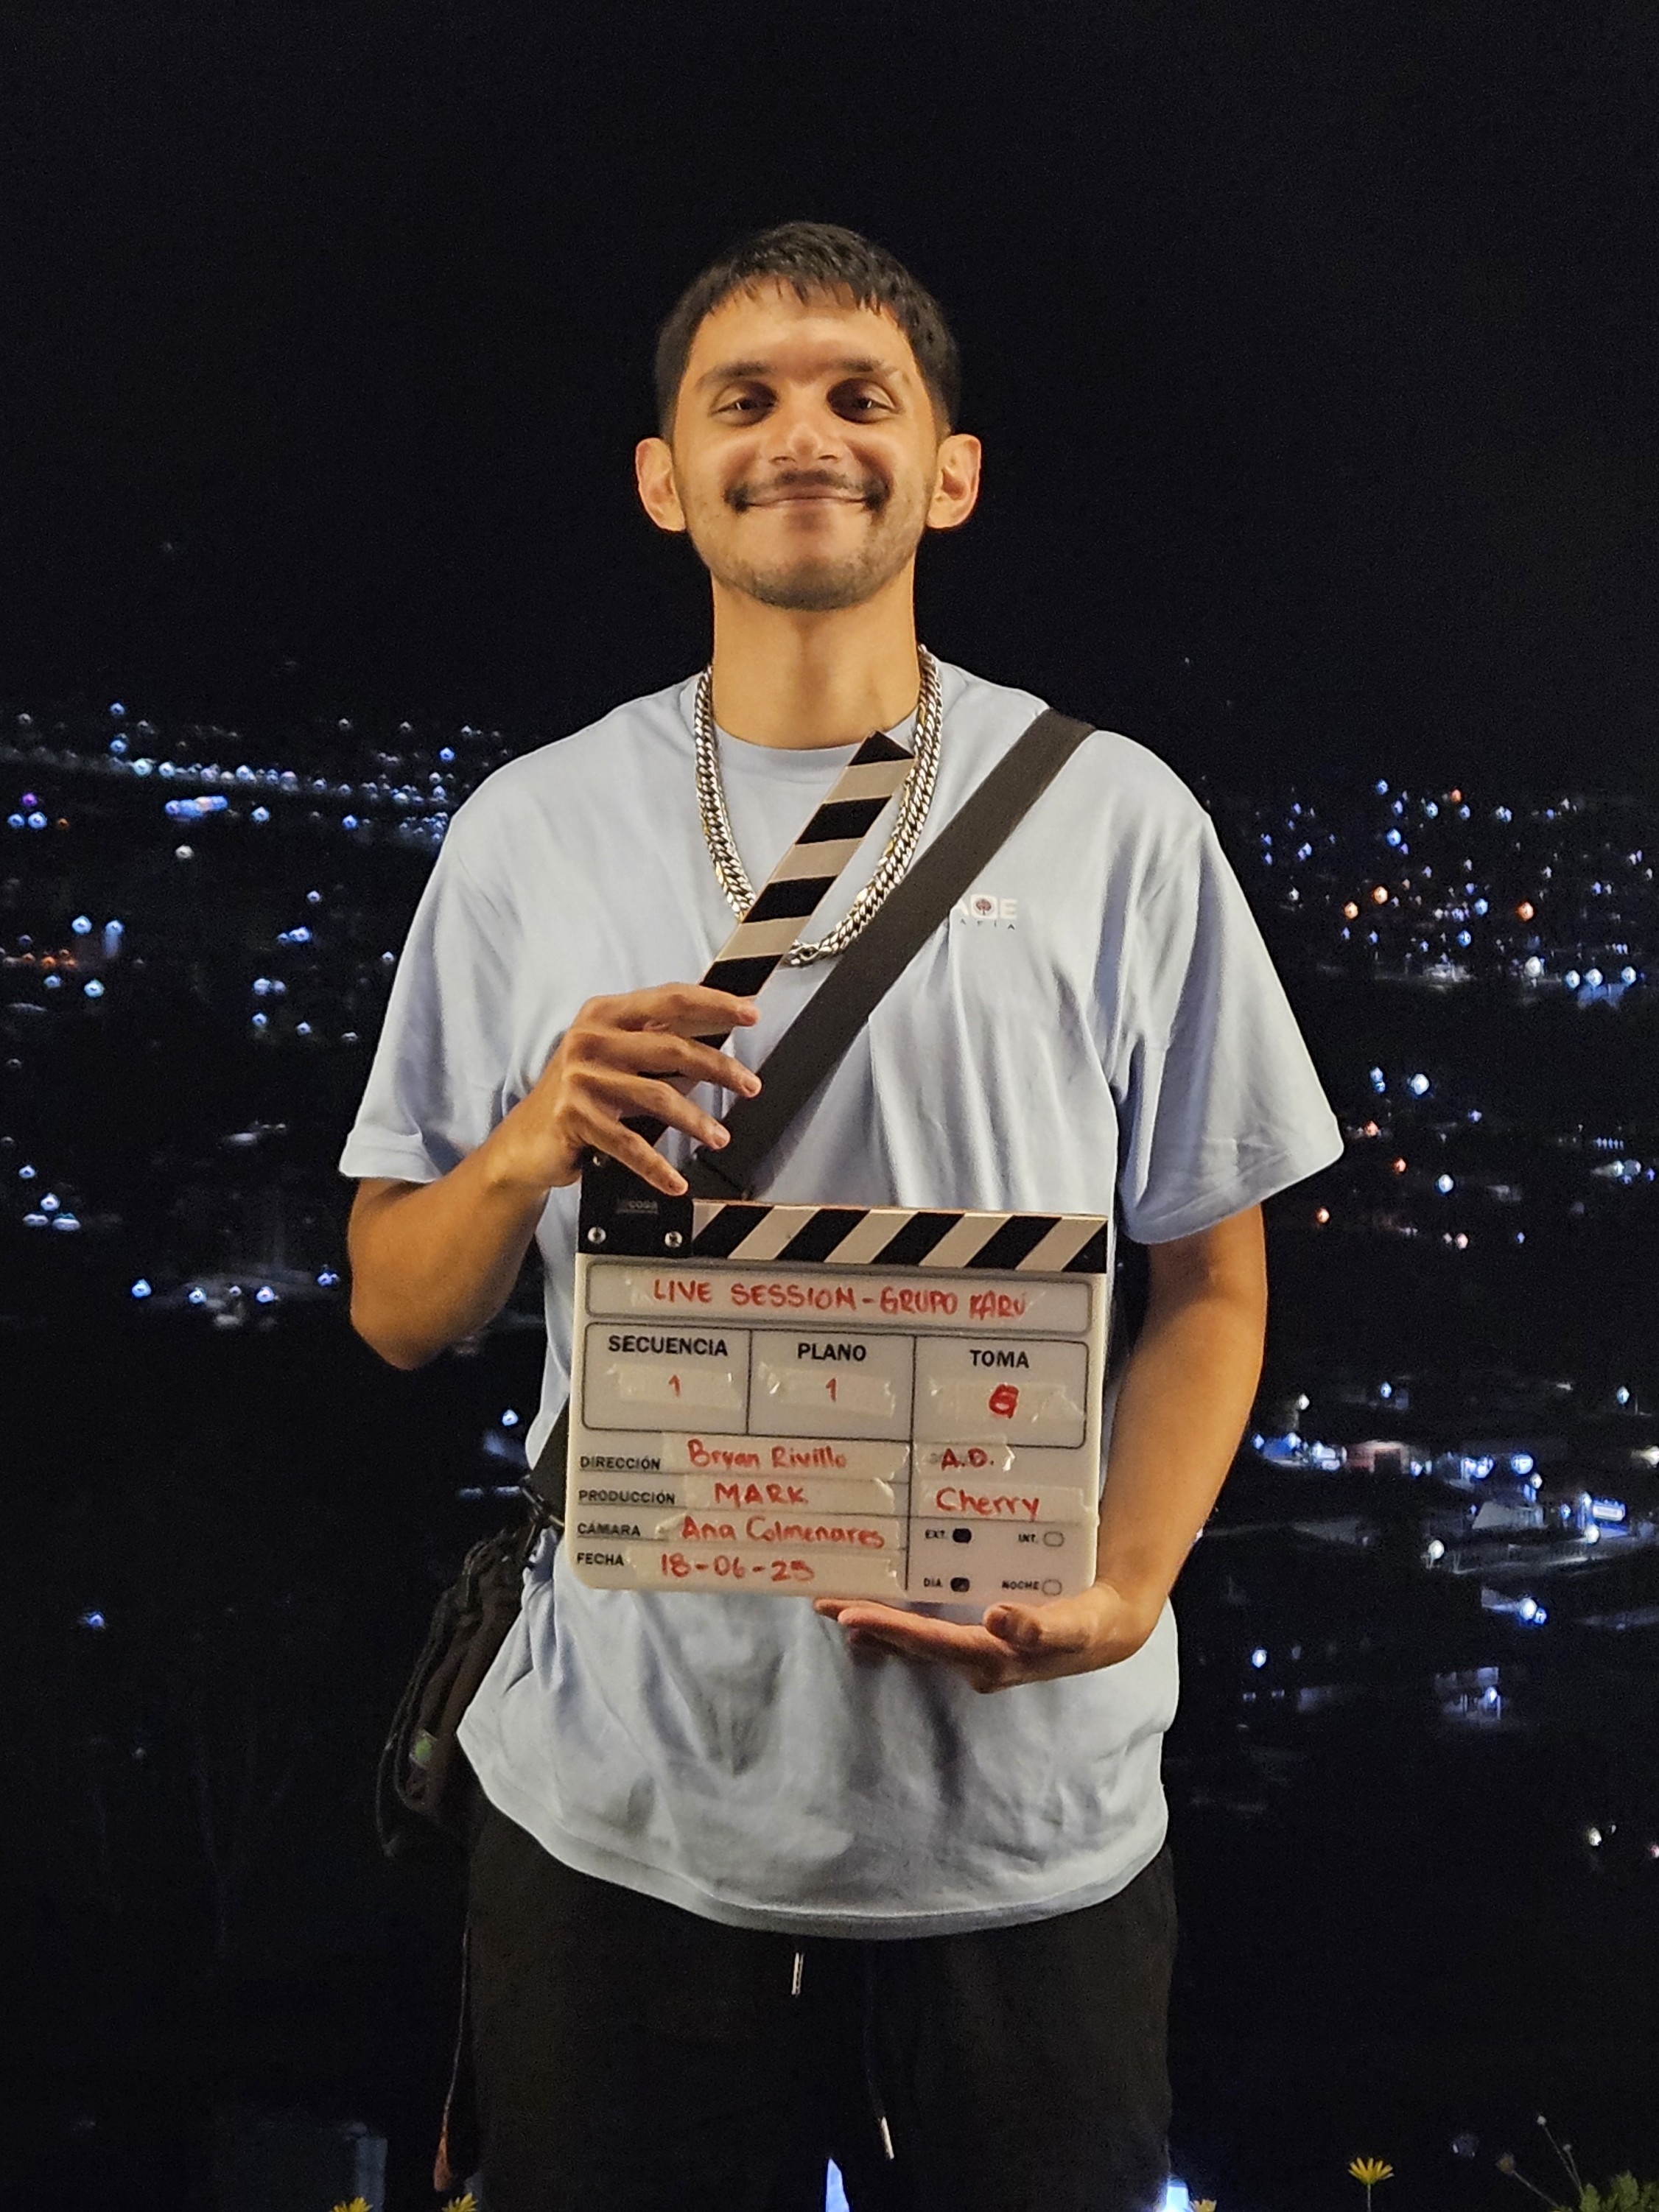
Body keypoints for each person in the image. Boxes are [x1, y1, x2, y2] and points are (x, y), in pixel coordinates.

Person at [340, 220, 1344, 2212]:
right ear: (664, 477)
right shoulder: (529, 827)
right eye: (746, 397)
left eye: (858, 394)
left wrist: (1129, 1585)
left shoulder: (1118, 815)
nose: (803, 432)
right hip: (621, 1808)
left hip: (1022, 1823)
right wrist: (528, 1145)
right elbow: (392, 1302)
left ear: (949, 471)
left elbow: (1213, 1280)